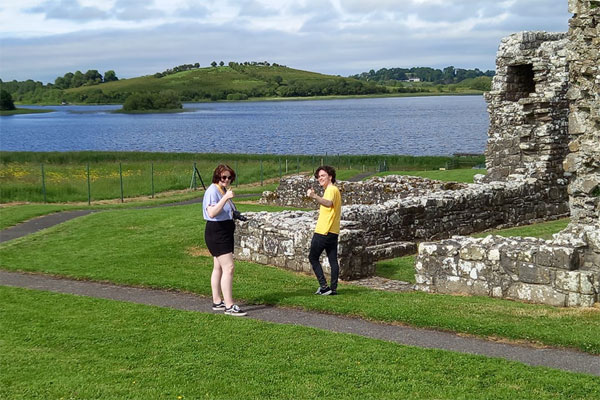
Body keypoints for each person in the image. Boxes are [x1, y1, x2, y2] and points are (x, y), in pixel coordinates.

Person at [203, 164, 247, 316]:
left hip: (224, 230)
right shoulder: (212, 191)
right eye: (223, 177)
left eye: (229, 177)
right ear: (217, 177)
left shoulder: (221, 190)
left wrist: (235, 213)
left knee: (218, 267)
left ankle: (217, 301)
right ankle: (229, 305)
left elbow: (225, 210)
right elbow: (212, 212)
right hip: (217, 232)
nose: (227, 180)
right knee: (229, 268)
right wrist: (226, 198)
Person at [306, 165, 342, 296]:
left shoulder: (331, 189)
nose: (320, 178)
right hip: (333, 230)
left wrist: (314, 196)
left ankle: (324, 286)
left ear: (330, 177)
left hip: (324, 231)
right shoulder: (333, 190)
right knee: (333, 260)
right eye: (319, 176)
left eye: (323, 176)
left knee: (313, 257)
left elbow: (328, 203)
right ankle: (333, 288)